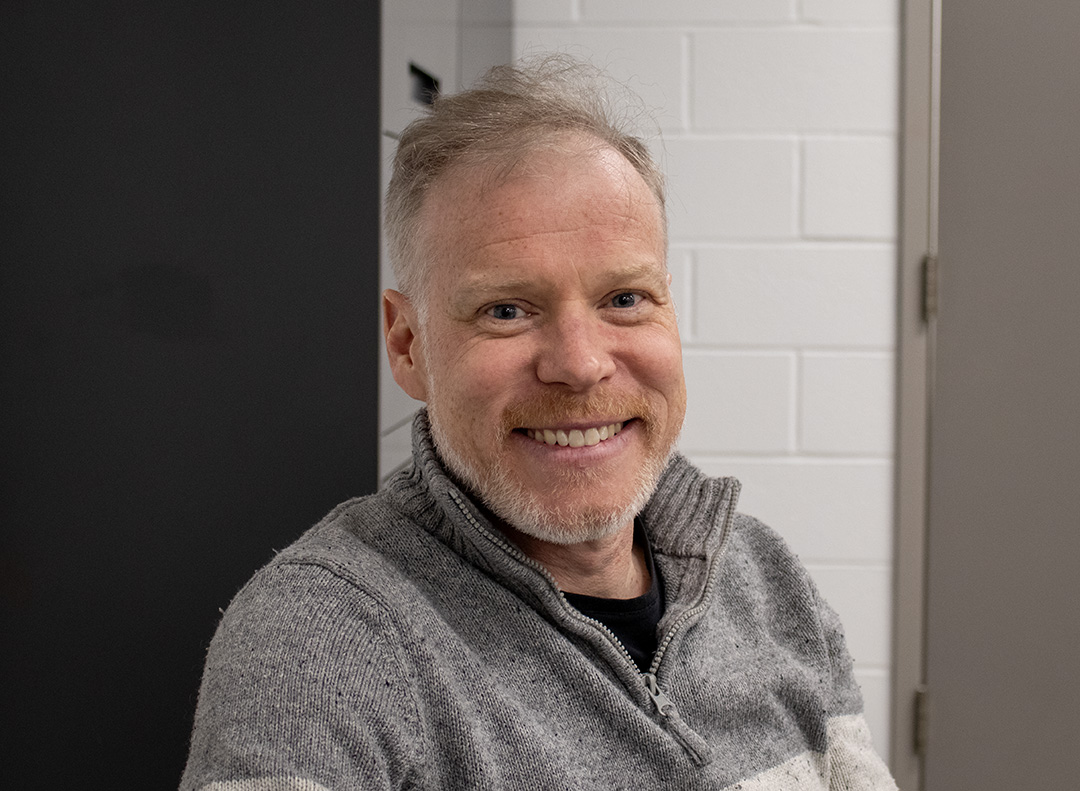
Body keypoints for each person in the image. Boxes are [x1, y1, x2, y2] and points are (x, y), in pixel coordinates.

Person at [180, 58, 897, 790]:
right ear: (408, 344)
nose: (581, 364)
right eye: (506, 311)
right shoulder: (324, 639)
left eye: (624, 297)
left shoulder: (767, 580)